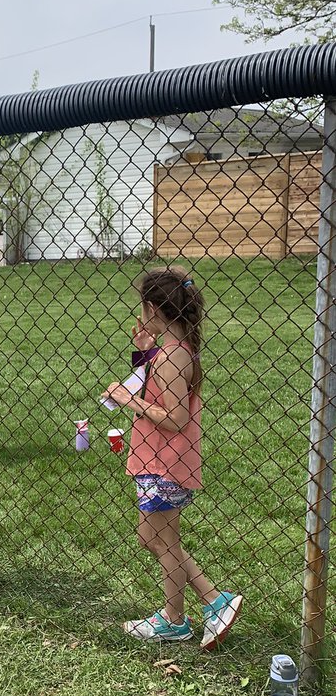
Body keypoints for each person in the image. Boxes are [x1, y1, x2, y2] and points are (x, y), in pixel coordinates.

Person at [103, 266, 243, 649]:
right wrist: (145, 349)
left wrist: (127, 400)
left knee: (162, 542)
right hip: (163, 462)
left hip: (163, 463)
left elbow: (176, 416)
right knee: (153, 538)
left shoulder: (170, 358)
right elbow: (159, 386)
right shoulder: (176, 351)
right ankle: (209, 603)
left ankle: (182, 617)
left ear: (151, 308)